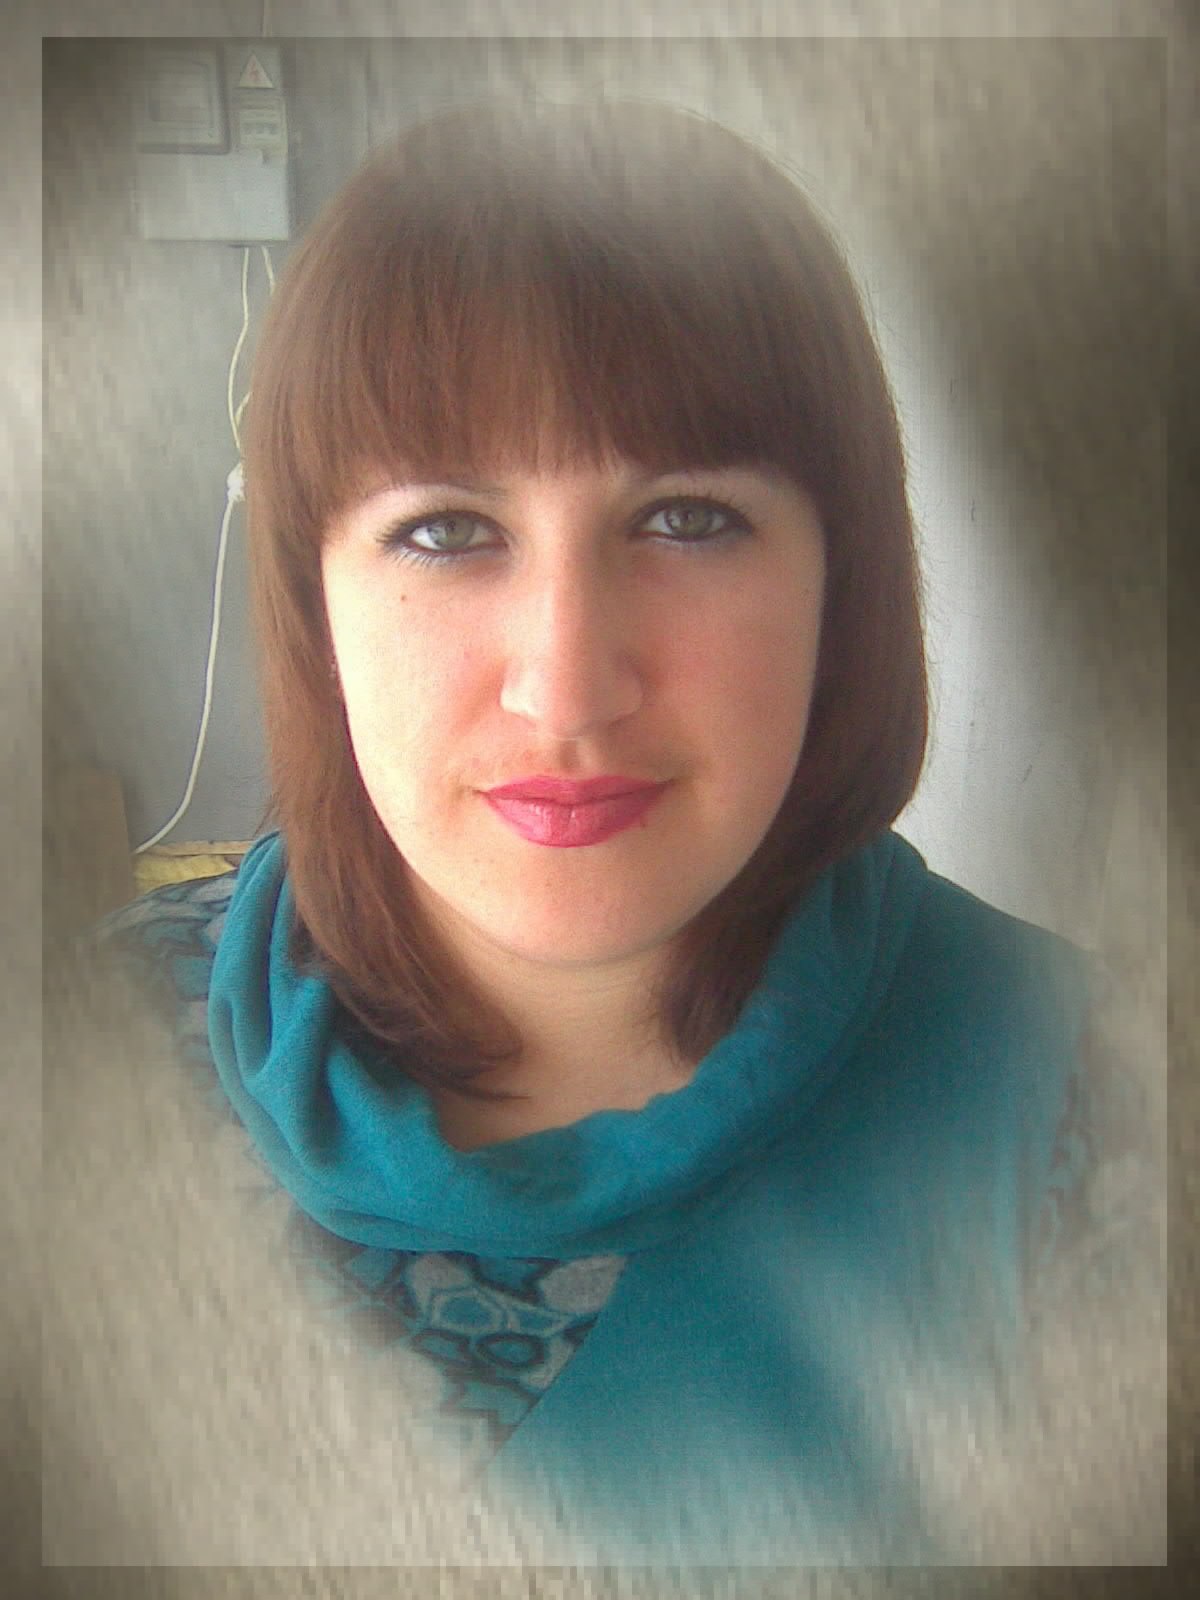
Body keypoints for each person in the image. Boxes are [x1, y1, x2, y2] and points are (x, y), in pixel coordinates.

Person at [78, 98, 1121, 1565]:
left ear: (841, 592)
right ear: (318, 610)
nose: (565, 687)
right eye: (447, 530)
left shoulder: (1095, 1109)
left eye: (686, 519)